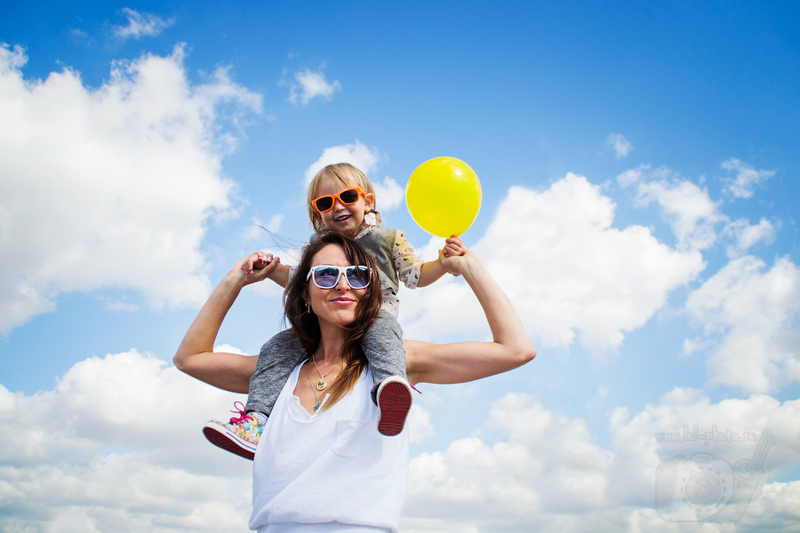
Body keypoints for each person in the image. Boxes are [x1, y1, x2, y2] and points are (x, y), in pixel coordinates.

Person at [174, 230, 535, 532]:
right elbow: (190, 358)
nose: (343, 285)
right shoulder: (278, 373)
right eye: (326, 275)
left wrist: (468, 266)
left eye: (358, 275)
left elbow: (516, 350)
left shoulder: (396, 362)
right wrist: (236, 278)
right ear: (305, 292)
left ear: (370, 290)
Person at [203, 163, 464, 460]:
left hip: (372, 317)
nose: (338, 206)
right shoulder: (317, 250)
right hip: (322, 328)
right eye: (325, 203)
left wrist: (443, 264)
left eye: (347, 197)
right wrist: (270, 269)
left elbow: (415, 274)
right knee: (277, 347)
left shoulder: (387, 239)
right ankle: (256, 422)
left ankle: (390, 390)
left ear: (367, 201)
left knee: (384, 336)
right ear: (318, 214)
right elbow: (297, 279)